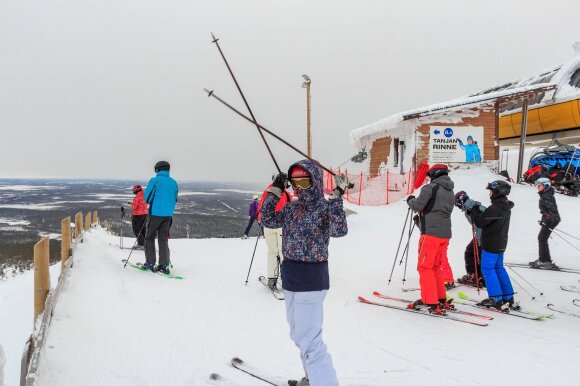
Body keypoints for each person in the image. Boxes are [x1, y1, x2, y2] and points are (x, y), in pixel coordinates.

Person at [260, 160, 349, 386]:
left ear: (315, 182)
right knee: (299, 335)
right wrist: (276, 189)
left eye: (304, 181)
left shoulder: (325, 207)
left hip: (311, 280)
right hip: (291, 278)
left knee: (310, 341)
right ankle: (313, 378)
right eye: (295, 181)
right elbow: (267, 218)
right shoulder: (291, 208)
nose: (299, 186)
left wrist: (337, 197)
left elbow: (339, 230)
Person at [406, 164, 455, 315]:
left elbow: (418, 205)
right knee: (435, 267)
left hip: (430, 234)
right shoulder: (450, 190)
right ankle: (440, 298)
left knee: (425, 267)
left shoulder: (430, 188)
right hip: (444, 235)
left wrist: (410, 200)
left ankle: (430, 300)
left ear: (434, 174)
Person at [466, 180, 519, 310]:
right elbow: (486, 218)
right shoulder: (504, 206)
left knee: (488, 269)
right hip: (500, 243)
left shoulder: (496, 207)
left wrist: (474, 212)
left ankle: (496, 298)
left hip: (491, 243)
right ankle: (508, 297)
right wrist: (478, 212)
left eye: (491, 191)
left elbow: (480, 222)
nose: (490, 193)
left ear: (497, 192)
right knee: (499, 268)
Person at [143, 161, 178, 274]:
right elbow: (175, 199)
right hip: (168, 215)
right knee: (163, 239)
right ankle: (164, 265)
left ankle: (150, 263)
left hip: (156, 214)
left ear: (158, 169)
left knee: (149, 237)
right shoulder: (174, 182)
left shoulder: (155, 180)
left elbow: (147, 197)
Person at [257, 179, 292, 290]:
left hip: (268, 226)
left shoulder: (267, 192)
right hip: (282, 226)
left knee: (272, 252)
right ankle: (286, 278)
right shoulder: (286, 194)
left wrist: (260, 222)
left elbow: (261, 207)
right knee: (283, 252)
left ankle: (272, 279)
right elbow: (289, 208)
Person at [454, 191, 485, 288]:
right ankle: (478, 276)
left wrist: (480, 240)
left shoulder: (471, 207)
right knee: (473, 252)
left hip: (483, 236)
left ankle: (475, 276)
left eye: (457, 204)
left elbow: (481, 223)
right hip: (483, 235)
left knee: (471, 252)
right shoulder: (470, 206)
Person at [529, 177, 561, 269]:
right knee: (542, 238)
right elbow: (546, 211)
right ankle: (544, 260)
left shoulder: (546, 196)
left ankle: (544, 260)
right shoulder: (545, 194)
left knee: (542, 238)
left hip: (552, 220)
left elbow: (552, 211)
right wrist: (544, 220)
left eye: (539, 185)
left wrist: (547, 221)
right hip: (551, 220)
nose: (537, 187)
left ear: (546, 185)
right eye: (537, 185)